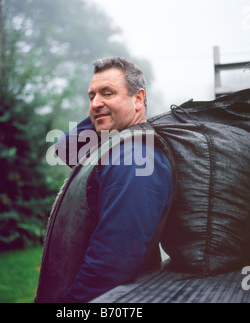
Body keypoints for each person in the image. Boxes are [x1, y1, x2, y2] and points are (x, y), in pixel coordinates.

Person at [35, 57, 173, 303]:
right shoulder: (115, 149)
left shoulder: (136, 159)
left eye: (107, 92)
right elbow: (69, 148)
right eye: (91, 96)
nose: (95, 103)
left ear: (139, 98)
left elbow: (112, 264)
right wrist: (107, 108)